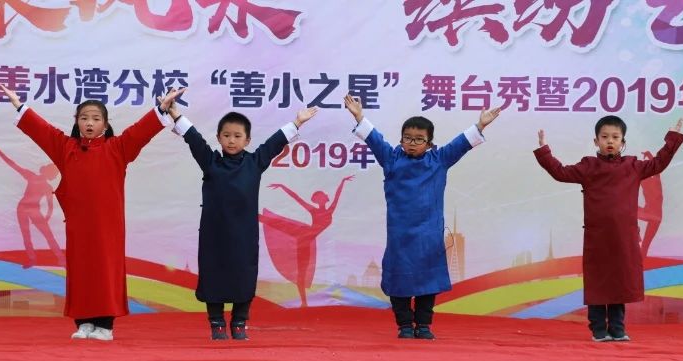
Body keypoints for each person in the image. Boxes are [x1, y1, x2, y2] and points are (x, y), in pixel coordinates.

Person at [0, 83, 184, 341]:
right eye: (84, 118)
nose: (89, 123)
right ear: (77, 122)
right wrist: (19, 105)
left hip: (108, 225)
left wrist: (161, 108)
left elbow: (140, 132)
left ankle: (105, 325)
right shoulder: (66, 148)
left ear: (105, 124)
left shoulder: (118, 148)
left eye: (96, 119)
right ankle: (84, 322)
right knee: (81, 270)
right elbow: (42, 131)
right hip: (79, 225)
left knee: (106, 271)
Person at [344, 94, 501, 339]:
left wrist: (480, 125)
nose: (412, 143)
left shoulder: (439, 160)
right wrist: (359, 116)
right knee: (399, 282)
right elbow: (375, 140)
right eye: (408, 138)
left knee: (428, 282)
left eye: (419, 139)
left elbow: (460, 144)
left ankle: (424, 325)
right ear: (401, 140)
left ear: (429, 144)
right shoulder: (392, 159)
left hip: (429, 236)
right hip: (400, 237)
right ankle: (405, 325)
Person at [166, 100, 318, 340]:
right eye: (226, 135)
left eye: (237, 136)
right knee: (213, 276)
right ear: (218, 138)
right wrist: (176, 116)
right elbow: (194, 140)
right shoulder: (210, 162)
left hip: (244, 236)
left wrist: (297, 121)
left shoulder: (254, 163)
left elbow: (274, 143)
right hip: (214, 235)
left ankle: (239, 322)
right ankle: (216, 322)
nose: (231, 140)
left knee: (243, 276)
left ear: (247, 140)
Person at [534, 116, 683, 342]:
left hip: (624, 237)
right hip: (597, 237)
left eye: (615, 137)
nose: (610, 141)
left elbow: (659, 163)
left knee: (620, 282)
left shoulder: (633, 166)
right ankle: (598, 329)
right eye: (604, 137)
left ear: (623, 142)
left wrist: (672, 138)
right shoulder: (588, 167)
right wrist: (544, 150)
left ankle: (617, 328)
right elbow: (560, 172)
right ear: (596, 141)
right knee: (597, 283)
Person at [259, 175, 354, 307]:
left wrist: (343, 182)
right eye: (324, 195)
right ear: (321, 199)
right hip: (303, 233)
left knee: (302, 272)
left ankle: (304, 302)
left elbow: (337, 195)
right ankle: (251, 214)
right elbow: (297, 198)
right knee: (277, 223)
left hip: (305, 240)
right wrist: (283, 187)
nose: (327, 195)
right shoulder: (314, 210)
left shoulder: (329, 210)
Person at [0, 143, 65, 268]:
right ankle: (35, 259)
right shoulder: (36, 180)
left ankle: (59, 260)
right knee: (31, 235)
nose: (54, 175)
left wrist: (46, 218)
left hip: (32, 209)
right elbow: (13, 165)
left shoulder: (45, 186)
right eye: (54, 173)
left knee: (45, 235)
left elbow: (50, 206)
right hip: (23, 209)